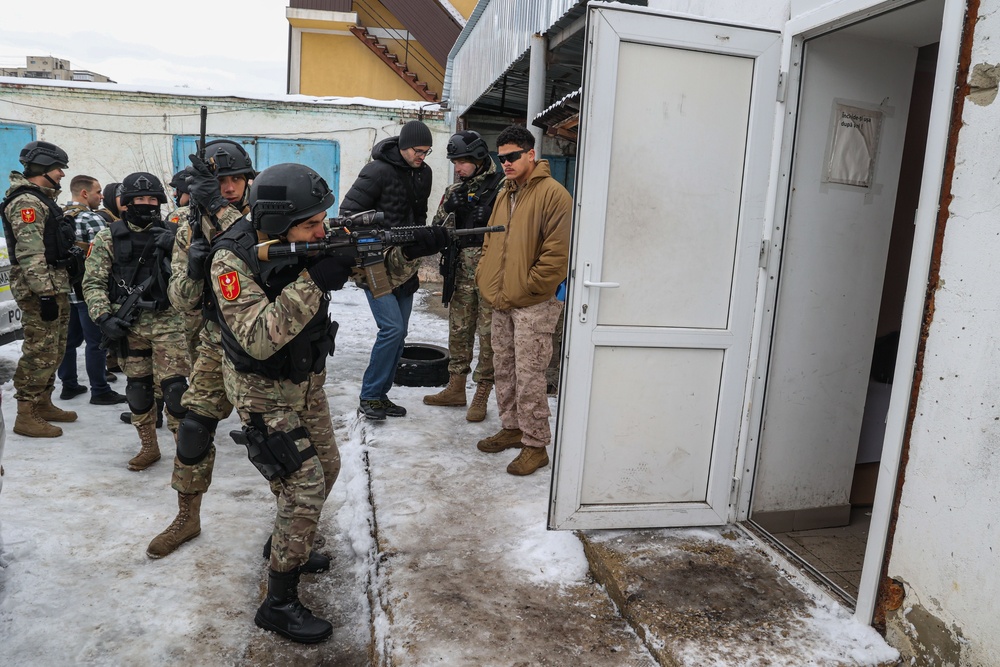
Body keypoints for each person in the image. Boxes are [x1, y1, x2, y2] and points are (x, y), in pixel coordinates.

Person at [146, 141, 256, 559]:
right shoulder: (190, 227)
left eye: (233, 179)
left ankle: (293, 530)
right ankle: (186, 517)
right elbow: (181, 299)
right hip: (215, 339)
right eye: (218, 181)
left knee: (279, 443)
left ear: (248, 181)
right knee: (192, 429)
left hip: (265, 343)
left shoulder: (270, 217)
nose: (227, 188)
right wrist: (194, 268)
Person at [474, 126, 571, 476]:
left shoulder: (554, 195)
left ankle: (535, 444)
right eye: (501, 159)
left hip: (534, 301)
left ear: (531, 154)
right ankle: (512, 427)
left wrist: (530, 287)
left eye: (513, 156)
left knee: (530, 373)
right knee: (505, 368)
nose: (506, 164)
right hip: (502, 299)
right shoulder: (505, 193)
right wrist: (485, 274)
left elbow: (557, 254)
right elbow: (491, 240)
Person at [82, 172, 190, 471]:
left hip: (169, 322)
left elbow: (196, 278)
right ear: (127, 203)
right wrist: (103, 316)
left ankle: (185, 450)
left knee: (177, 392)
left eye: (152, 199)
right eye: (139, 200)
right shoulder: (108, 236)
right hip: (130, 325)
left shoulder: (177, 233)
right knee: (138, 390)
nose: (147, 204)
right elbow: (92, 283)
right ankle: (148, 447)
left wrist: (176, 248)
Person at [339, 119, 434, 420]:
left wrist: (422, 241)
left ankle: (381, 395)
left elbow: (419, 216)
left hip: (405, 261)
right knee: (391, 328)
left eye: (427, 152)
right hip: (374, 262)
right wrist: (379, 237)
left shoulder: (425, 173)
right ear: (404, 146)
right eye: (419, 151)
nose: (423, 156)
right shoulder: (377, 170)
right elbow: (347, 214)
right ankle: (369, 396)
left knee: (401, 332)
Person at [0, 141, 81, 437]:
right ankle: (26, 412)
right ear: (43, 168)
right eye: (58, 168)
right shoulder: (26, 203)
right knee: (40, 350)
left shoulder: (41, 199)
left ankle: (43, 402)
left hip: (54, 284)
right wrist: (44, 293)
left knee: (54, 349)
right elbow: (30, 253)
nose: (61, 174)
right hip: (40, 290)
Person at [423, 131, 503, 422]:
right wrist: (450, 206)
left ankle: (482, 391)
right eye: (455, 162)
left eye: (463, 162)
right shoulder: (454, 188)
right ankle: (456, 387)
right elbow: (436, 227)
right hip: (459, 269)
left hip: (490, 270)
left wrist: (491, 215)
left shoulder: (502, 186)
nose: (458, 167)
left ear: (479, 158)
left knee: (488, 332)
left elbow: (514, 230)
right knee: (459, 328)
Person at [56, 175, 126, 406]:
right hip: (88, 290)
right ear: (84, 193)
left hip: (67, 290)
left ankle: (69, 385)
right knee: (96, 343)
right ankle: (100, 390)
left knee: (69, 341)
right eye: (98, 192)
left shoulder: (59, 215)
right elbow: (106, 255)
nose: (102, 196)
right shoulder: (91, 219)